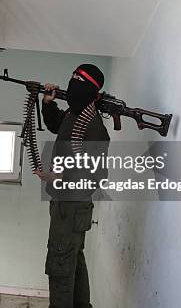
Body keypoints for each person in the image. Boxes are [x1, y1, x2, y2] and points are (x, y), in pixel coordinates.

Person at [38, 64, 110, 308]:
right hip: (63, 205)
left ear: (90, 88)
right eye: (71, 77)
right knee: (74, 260)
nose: (71, 82)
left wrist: (60, 176)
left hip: (72, 206)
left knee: (60, 263)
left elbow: (97, 176)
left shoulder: (94, 127)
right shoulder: (76, 113)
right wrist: (48, 103)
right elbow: (56, 124)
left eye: (77, 79)